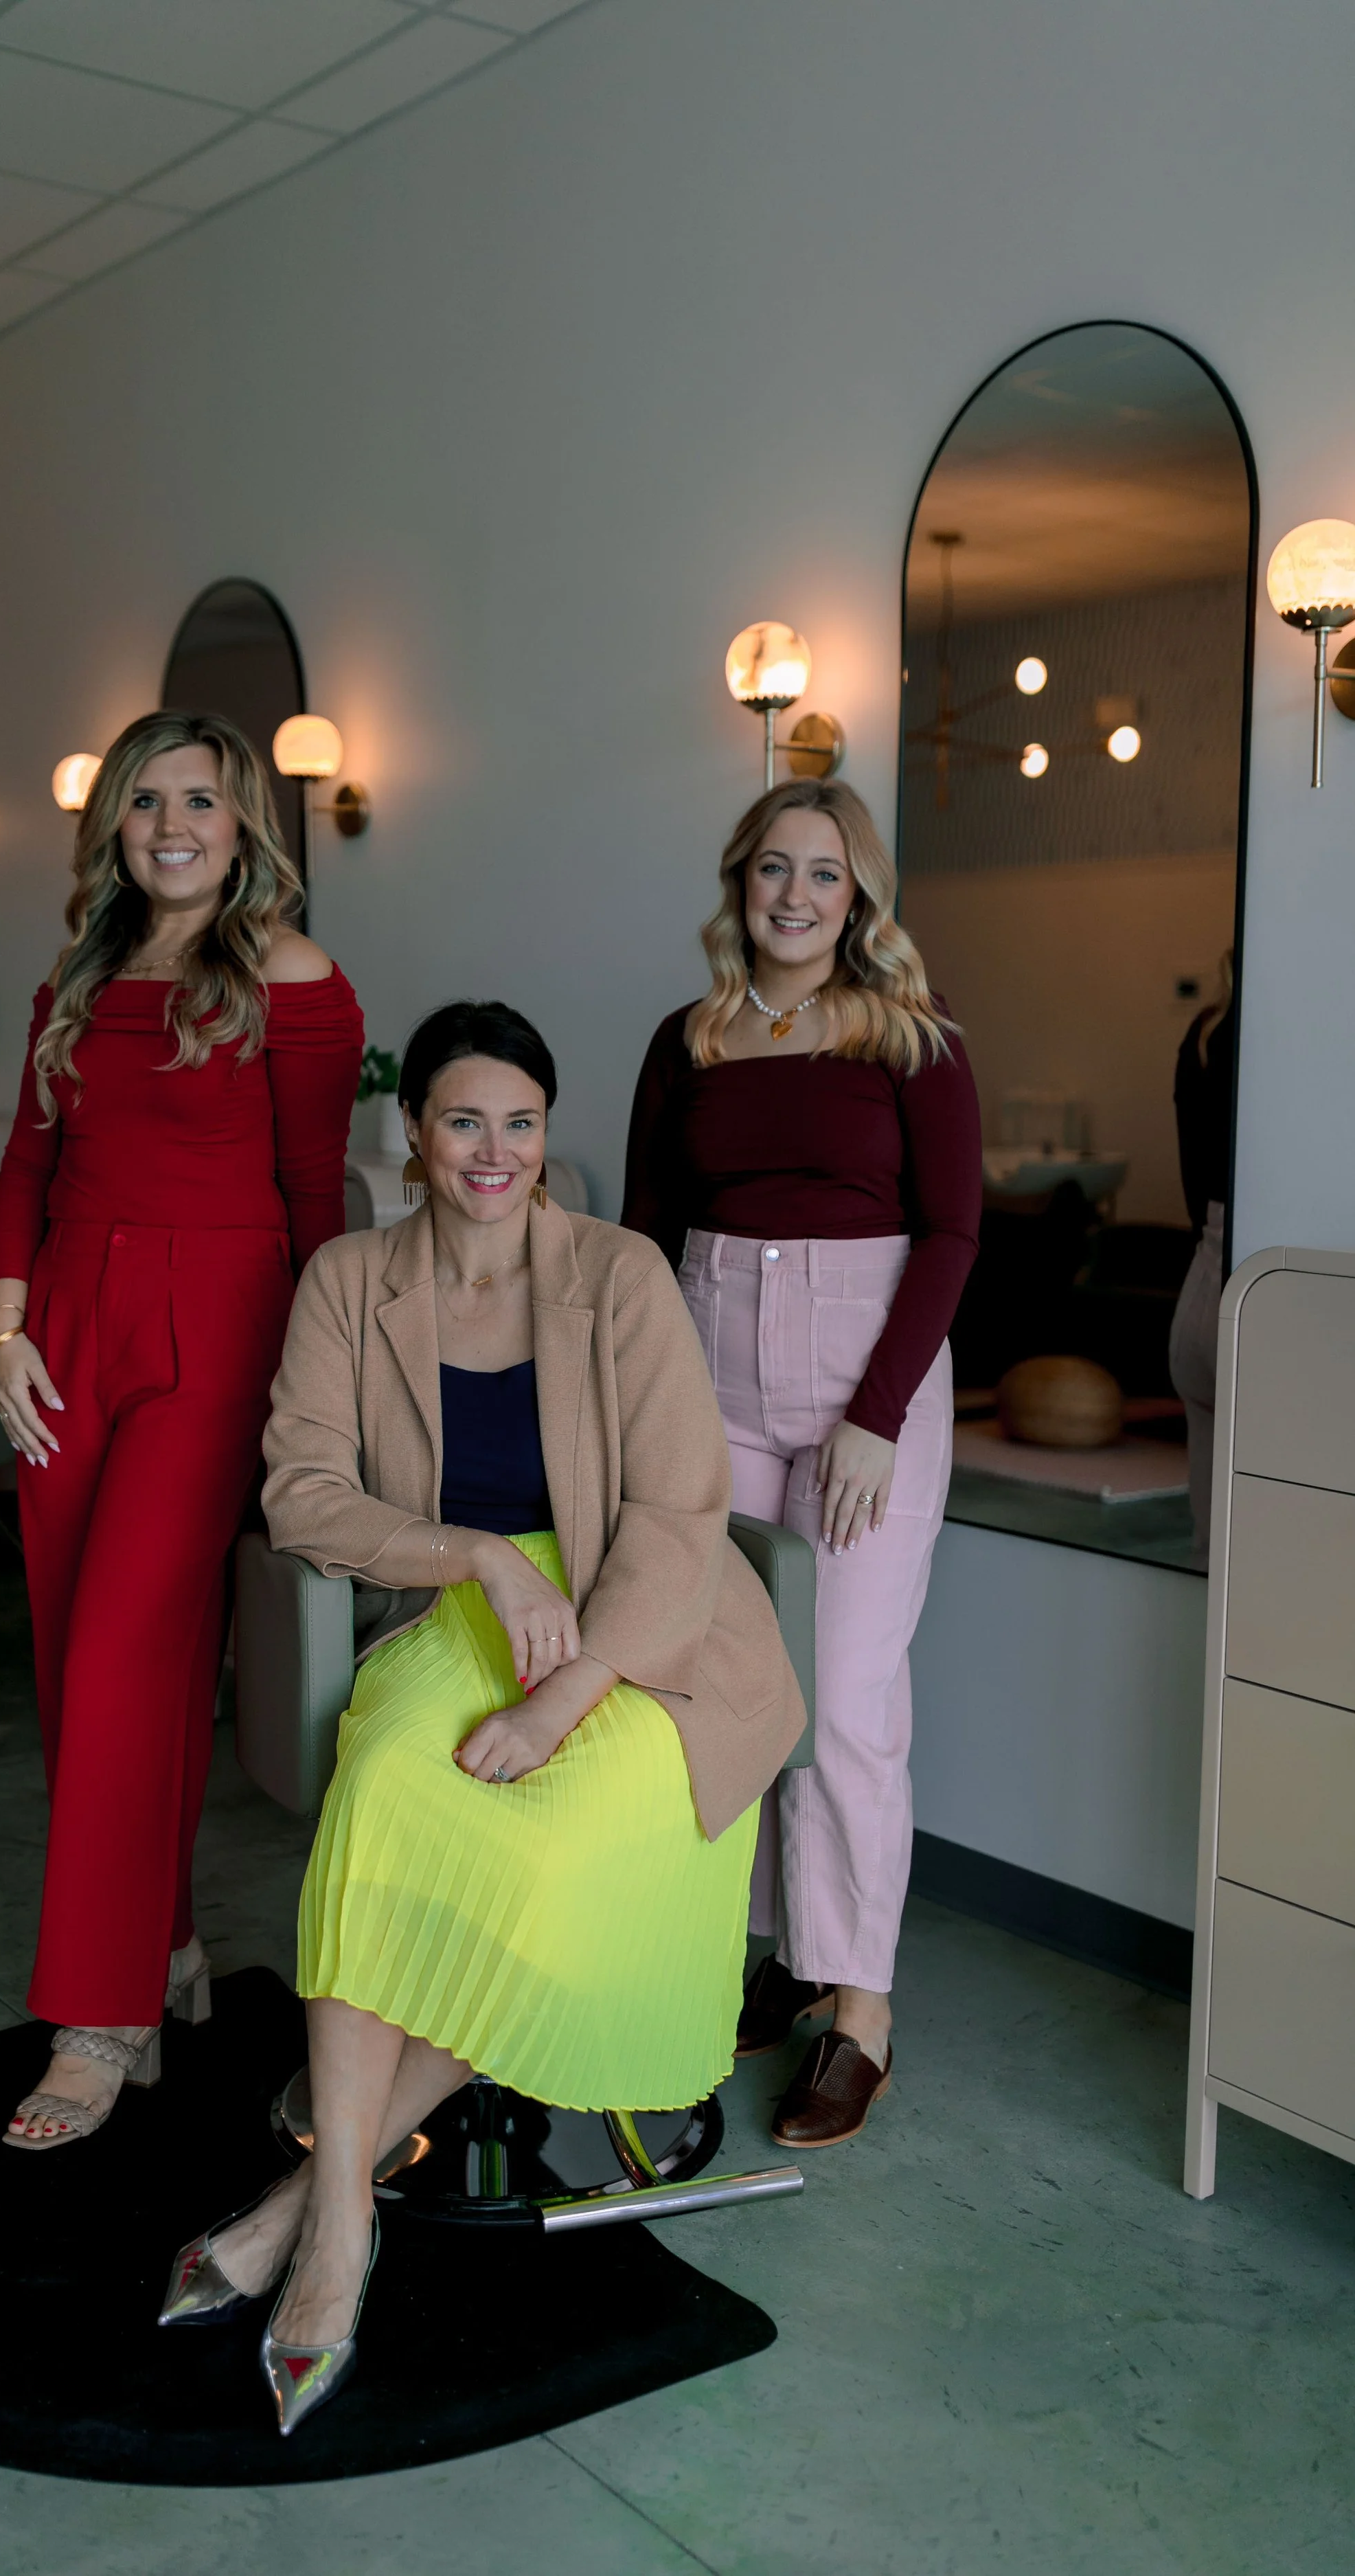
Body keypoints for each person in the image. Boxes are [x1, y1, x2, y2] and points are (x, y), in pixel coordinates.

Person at [159, 999, 803, 2434]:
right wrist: (477, 1557)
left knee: (548, 1839)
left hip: (645, 1627)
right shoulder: (347, 1281)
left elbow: (681, 1511)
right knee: (389, 1791)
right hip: (446, 1610)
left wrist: (573, 1688)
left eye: (519, 1122)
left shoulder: (619, 1275)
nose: (492, 1151)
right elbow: (303, 1493)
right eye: (463, 1121)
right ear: (415, 1136)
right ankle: (340, 2222)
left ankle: (304, 2220)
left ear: (544, 1135)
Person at [0, 710, 363, 2149]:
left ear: (241, 819)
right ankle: (164, 1947)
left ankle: (101, 2024)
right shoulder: (74, 982)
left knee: (135, 1654)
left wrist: (316, 1398)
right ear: (112, 831)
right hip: (66, 1332)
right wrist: (7, 1332)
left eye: (197, 798)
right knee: (81, 1669)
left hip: (219, 1336)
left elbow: (318, 1201)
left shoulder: (296, 979)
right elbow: (26, 1162)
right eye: (144, 801)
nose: (171, 824)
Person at [622, 777, 980, 2151]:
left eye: (821, 874)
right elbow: (650, 1230)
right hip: (708, 1377)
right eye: (772, 869)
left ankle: (860, 2011)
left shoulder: (911, 1039)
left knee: (838, 1703)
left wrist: (874, 1415)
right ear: (739, 884)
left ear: (857, 896)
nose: (793, 895)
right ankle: (772, 1954)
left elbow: (949, 1236)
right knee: (724, 1685)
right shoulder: (689, 1038)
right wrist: (636, 1406)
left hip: (860, 1388)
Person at [1168, 950, 1234, 1566]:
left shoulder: (1208, 1031)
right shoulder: (1270, 1031)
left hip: (1202, 1272)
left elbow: (1192, 1166)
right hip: (1248, 1280)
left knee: (1207, 1543)